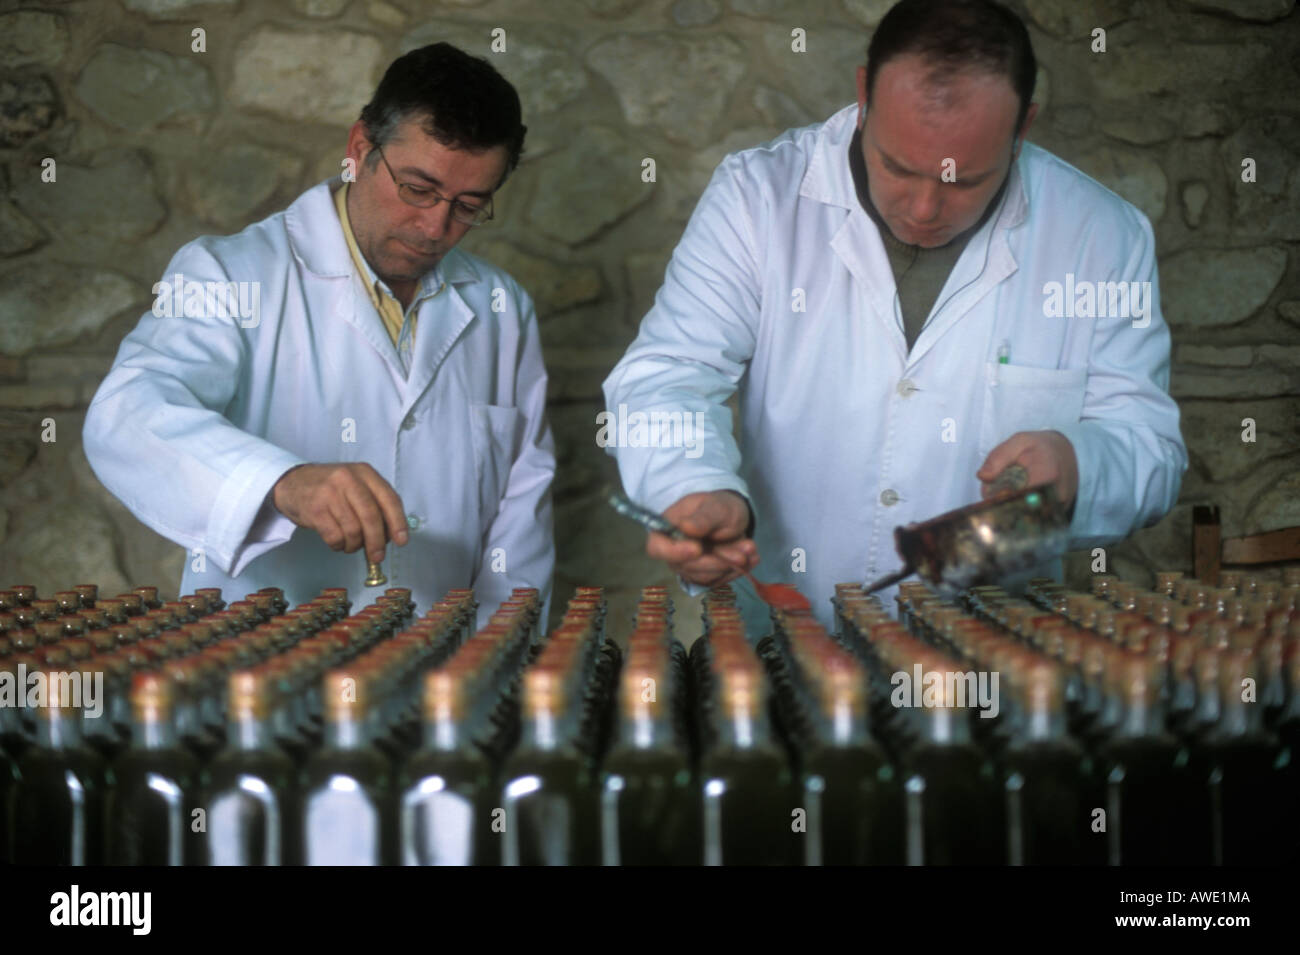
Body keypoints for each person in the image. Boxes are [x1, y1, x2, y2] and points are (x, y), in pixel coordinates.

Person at [602, 0, 1186, 634]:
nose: (926, 207)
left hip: (990, 659)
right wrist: (696, 487)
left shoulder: (1100, 235)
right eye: (898, 167)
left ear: (1023, 128)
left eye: (966, 180)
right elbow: (669, 375)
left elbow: (1148, 447)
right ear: (863, 95)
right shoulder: (758, 198)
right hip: (783, 643)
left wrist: (1081, 465)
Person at [84, 43, 555, 628]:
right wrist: (281, 482)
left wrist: (501, 664)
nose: (435, 226)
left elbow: (522, 514)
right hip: (267, 670)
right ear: (360, 150)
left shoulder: (501, 308)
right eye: (417, 188)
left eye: (467, 204)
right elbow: (126, 416)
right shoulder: (229, 274)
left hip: (448, 681)